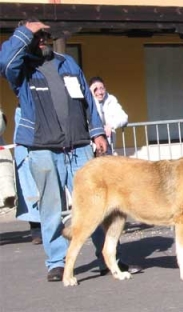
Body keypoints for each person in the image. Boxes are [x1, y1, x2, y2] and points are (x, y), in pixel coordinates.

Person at [0, 18, 140, 281]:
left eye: (45, 35)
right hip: (42, 148)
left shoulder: (68, 63)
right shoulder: (21, 69)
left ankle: (109, 257)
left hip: (78, 147)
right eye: (36, 36)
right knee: (50, 208)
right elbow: (5, 61)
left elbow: (87, 101)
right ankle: (57, 261)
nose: (42, 39)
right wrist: (26, 31)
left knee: (100, 205)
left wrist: (97, 132)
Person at [88, 76, 128, 155]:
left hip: (109, 146)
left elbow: (124, 117)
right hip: (93, 148)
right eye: (95, 89)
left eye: (101, 88)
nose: (99, 92)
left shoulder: (111, 100)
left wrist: (111, 125)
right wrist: (91, 97)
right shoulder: (88, 102)